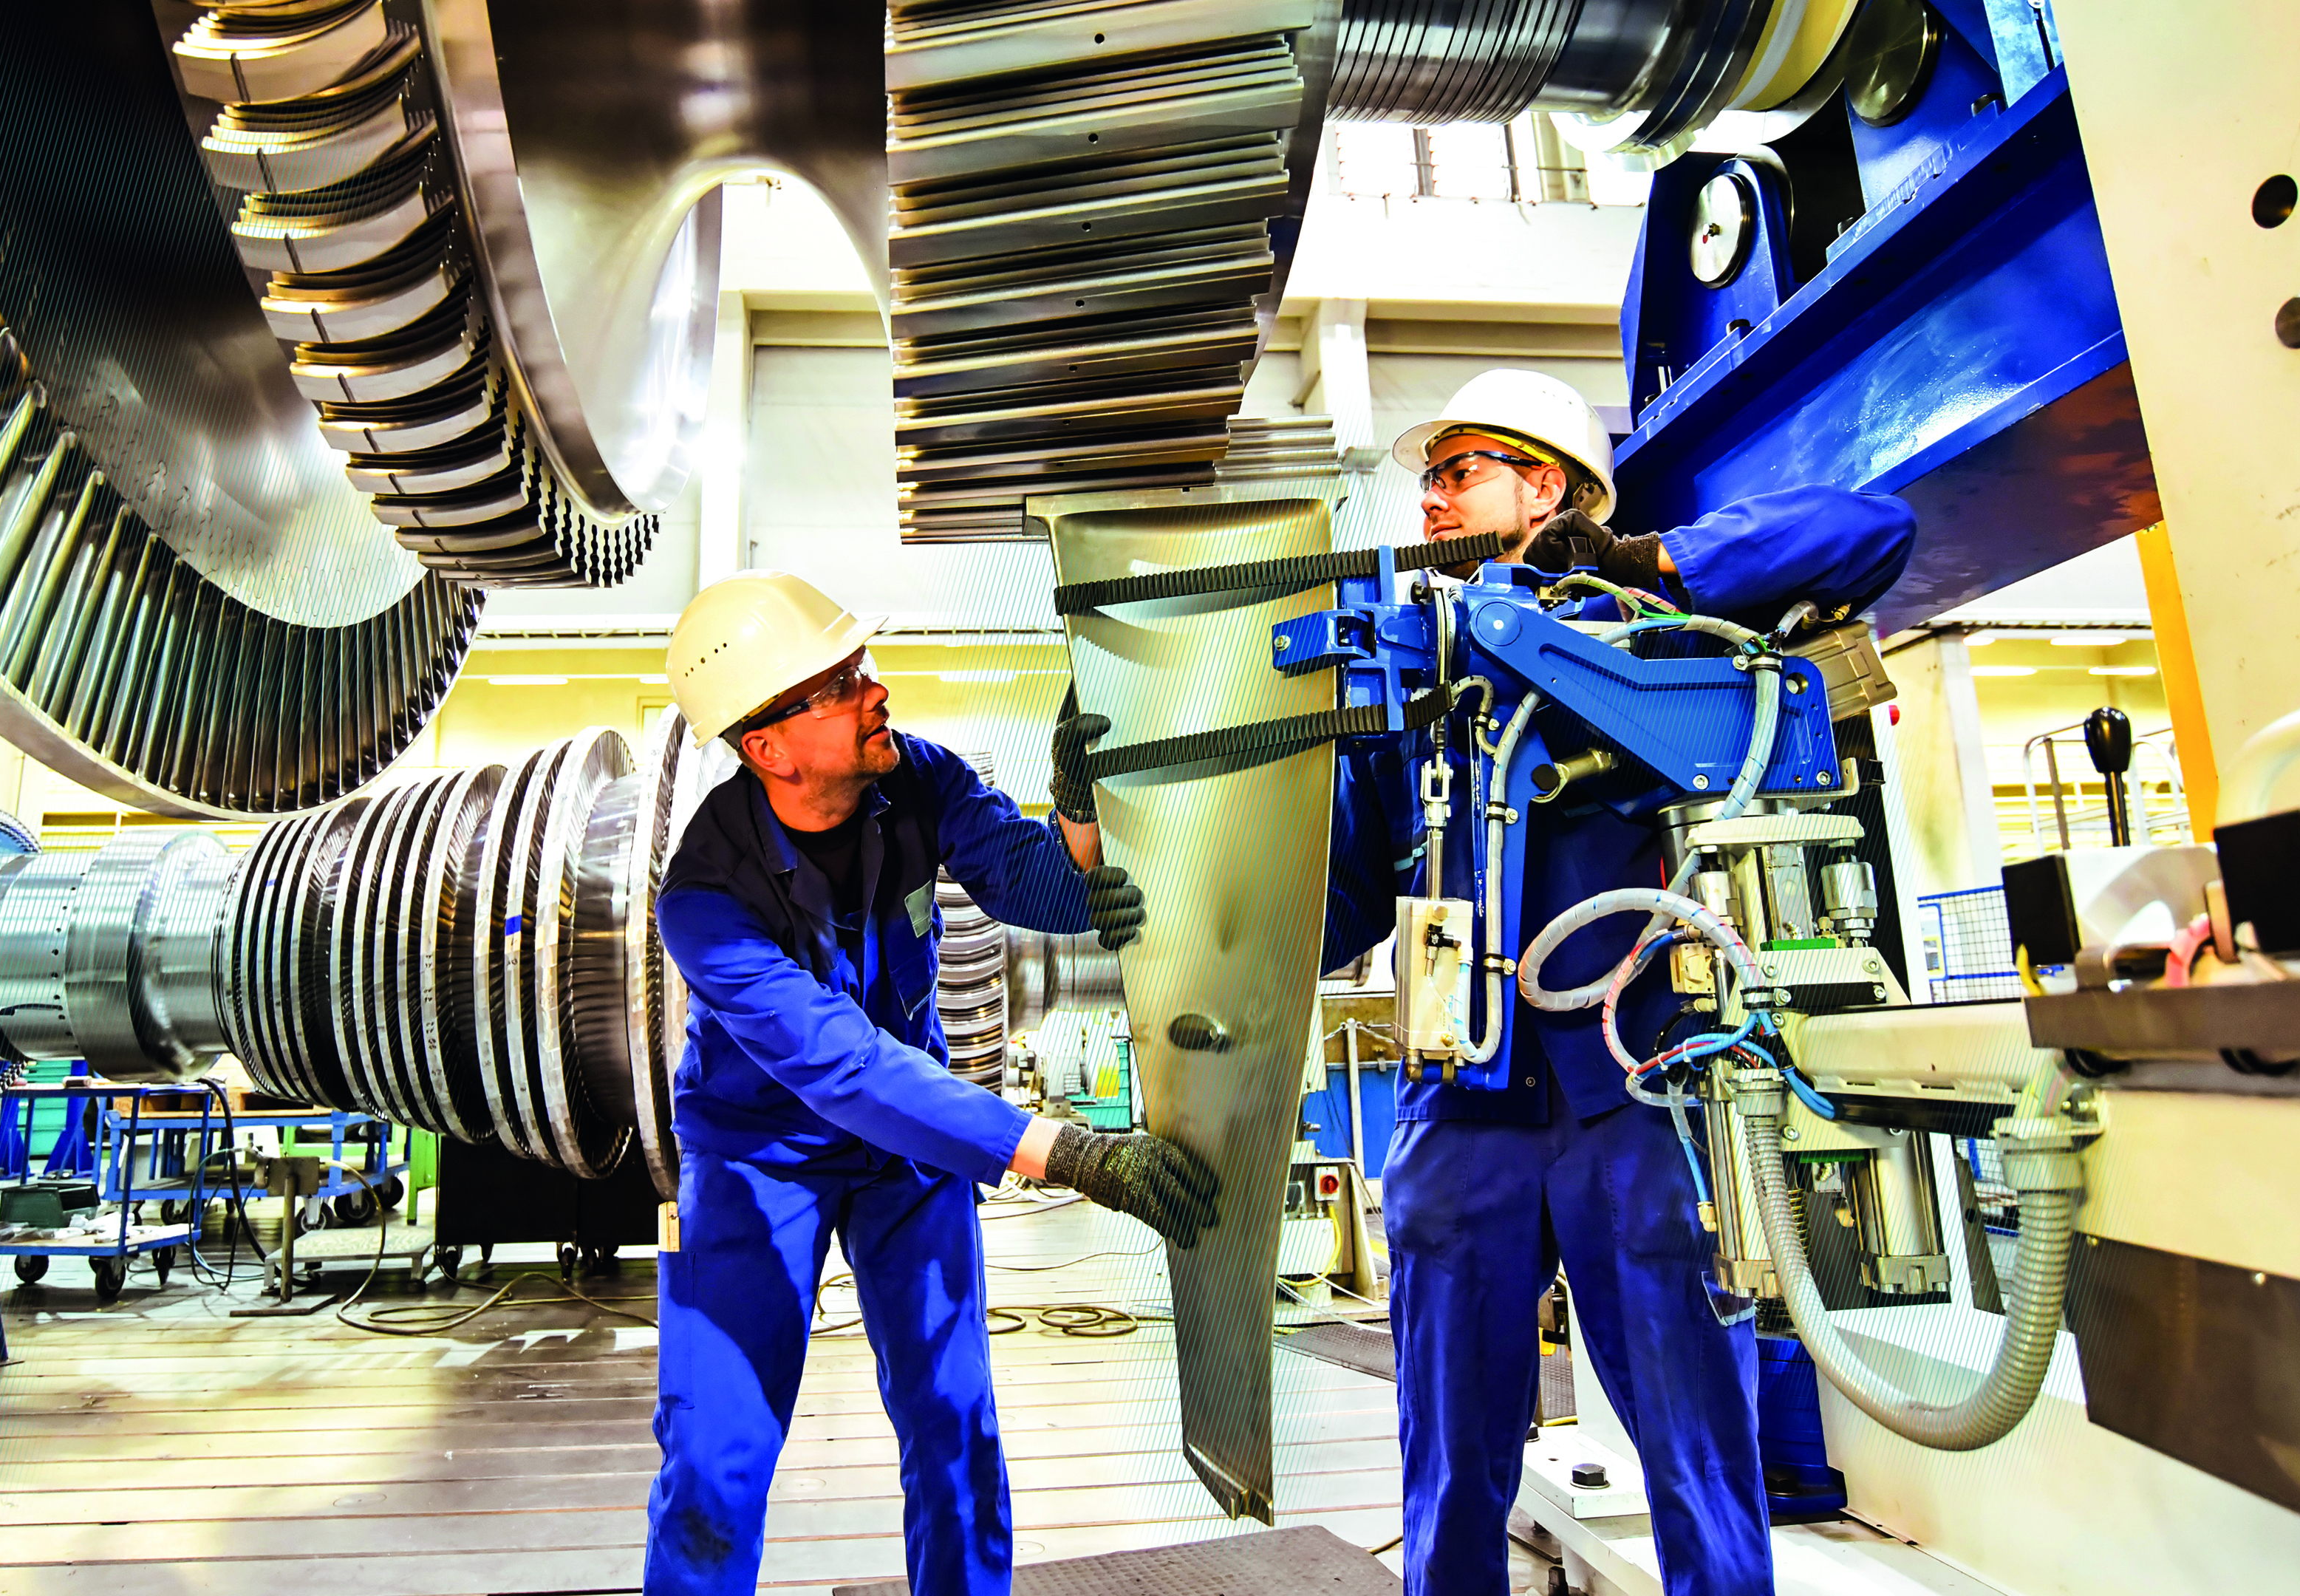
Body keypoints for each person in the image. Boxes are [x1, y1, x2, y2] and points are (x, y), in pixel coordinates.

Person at [1321, 370, 1915, 1596]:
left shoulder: (1650, 639)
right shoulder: (1410, 686)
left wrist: (1650, 568)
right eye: (1426, 479)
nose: (1430, 499)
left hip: (1633, 1100)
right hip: (1458, 1110)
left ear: (1548, 484)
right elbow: (1329, 918)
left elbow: (1876, 528)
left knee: (1699, 1458)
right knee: (1447, 1470)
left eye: (1460, 471)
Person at [646, 569, 1221, 1596]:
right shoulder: (705, 899)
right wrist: (1066, 1151)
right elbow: (843, 1068)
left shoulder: (915, 778)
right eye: (838, 682)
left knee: (955, 1424)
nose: (877, 690)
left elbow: (1035, 883)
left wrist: (1084, 815)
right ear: (766, 745)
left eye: (861, 665)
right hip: (755, 1160)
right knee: (715, 1455)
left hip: (905, 1151)